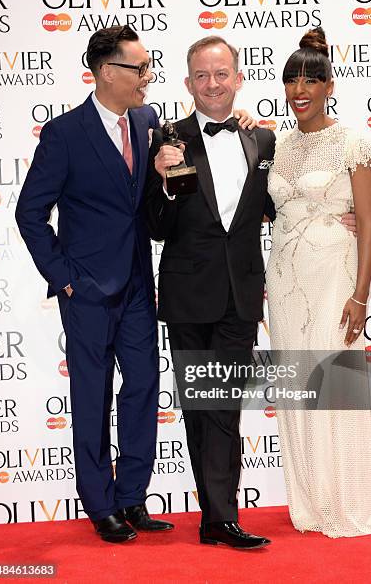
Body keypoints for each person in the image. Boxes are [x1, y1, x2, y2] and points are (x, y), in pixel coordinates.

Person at [15, 25, 174, 543]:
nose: (148, 77)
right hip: (85, 289)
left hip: (135, 283)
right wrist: (64, 279)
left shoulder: (149, 119)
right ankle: (100, 503)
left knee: (144, 386)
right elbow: (30, 212)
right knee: (91, 393)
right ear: (108, 72)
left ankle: (132, 497)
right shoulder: (65, 133)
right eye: (140, 68)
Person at [266, 27, 371, 537]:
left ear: (329, 85)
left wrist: (361, 295)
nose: (299, 89)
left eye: (311, 79)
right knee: (297, 389)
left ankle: (346, 500)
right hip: (283, 283)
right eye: (290, 80)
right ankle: (308, 500)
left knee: (332, 383)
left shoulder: (356, 142)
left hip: (334, 281)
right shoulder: (276, 145)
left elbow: (368, 224)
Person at [146, 36, 276, 549]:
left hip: (240, 292)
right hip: (186, 293)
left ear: (238, 77)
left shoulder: (261, 139)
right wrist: (160, 182)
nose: (213, 84)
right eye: (202, 75)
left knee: (224, 405)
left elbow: (277, 208)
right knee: (200, 405)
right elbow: (156, 226)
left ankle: (219, 517)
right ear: (187, 84)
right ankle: (214, 515)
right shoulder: (167, 138)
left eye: (222, 74)